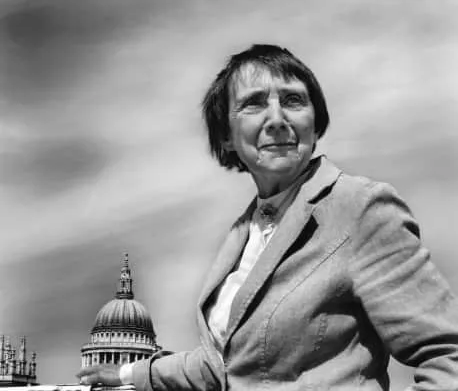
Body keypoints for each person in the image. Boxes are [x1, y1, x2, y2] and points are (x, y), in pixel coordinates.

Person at [77, 44, 458, 390]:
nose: (276, 118)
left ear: (315, 123)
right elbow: (227, 364)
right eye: (254, 103)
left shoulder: (360, 208)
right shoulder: (244, 233)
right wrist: (127, 374)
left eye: (293, 100)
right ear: (226, 136)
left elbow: (448, 358)